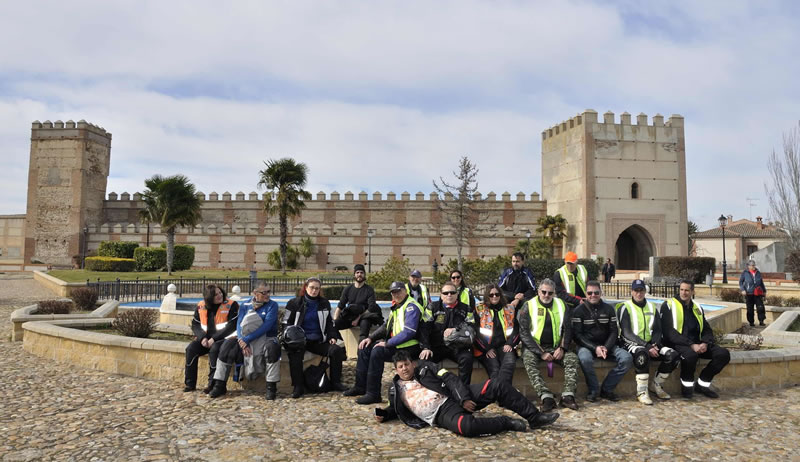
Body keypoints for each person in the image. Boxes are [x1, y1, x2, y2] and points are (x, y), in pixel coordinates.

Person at [373, 350, 559, 437]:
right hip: (442, 413)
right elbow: (395, 408)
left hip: (456, 395)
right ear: (396, 370)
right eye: (400, 367)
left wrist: (464, 398)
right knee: (466, 428)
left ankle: (534, 417)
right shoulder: (394, 389)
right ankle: (505, 422)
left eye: (407, 364)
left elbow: (451, 379)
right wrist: (384, 414)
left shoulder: (426, 368)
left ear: (412, 363)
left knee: (497, 385)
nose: (405, 369)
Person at [345, 281, 424, 404]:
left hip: (410, 347)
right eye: (393, 292)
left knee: (378, 352)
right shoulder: (397, 306)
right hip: (398, 345)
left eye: (398, 291)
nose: (396, 294)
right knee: (364, 347)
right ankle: (360, 386)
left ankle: (373, 394)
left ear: (405, 291)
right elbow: (386, 326)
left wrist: (388, 344)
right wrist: (370, 338)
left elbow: (409, 332)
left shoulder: (411, 306)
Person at [208, 282, 281, 400]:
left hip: (266, 337)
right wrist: (242, 341)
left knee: (272, 349)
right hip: (245, 339)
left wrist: (247, 339)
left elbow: (267, 325)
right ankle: (219, 385)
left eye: (269, 292)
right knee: (227, 346)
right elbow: (239, 324)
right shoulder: (245, 304)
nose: (267, 295)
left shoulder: (273, 305)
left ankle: (271, 388)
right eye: (264, 292)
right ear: (255, 293)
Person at [662, 279, 730, 399]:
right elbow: (669, 332)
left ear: (692, 291)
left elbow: (706, 328)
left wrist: (705, 342)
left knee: (723, 354)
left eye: (687, 290)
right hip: (678, 343)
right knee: (690, 356)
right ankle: (687, 387)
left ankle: (702, 384)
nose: (684, 293)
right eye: (682, 290)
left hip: (698, 344)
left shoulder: (697, 307)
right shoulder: (669, 305)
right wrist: (691, 345)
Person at [615, 279, 680, 405]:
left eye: (641, 290)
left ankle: (657, 384)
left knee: (673, 355)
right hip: (631, 343)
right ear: (631, 292)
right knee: (642, 355)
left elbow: (657, 329)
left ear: (645, 291)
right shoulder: (624, 307)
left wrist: (655, 344)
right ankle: (642, 391)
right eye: (636, 290)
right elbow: (627, 332)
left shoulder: (652, 307)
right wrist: (647, 346)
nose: (639, 293)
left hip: (651, 344)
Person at [519, 278, 580, 411]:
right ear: (538, 291)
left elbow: (568, 328)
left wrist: (562, 348)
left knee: (572, 359)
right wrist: (541, 353)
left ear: (554, 293)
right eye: (544, 292)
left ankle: (567, 396)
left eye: (550, 293)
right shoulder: (528, 305)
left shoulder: (562, 305)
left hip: (556, 346)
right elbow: (524, 333)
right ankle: (546, 397)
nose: (546, 295)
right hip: (535, 347)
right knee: (528, 360)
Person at [282, 277, 347, 398]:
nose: (314, 290)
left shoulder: (324, 303)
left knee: (336, 350)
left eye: (317, 288)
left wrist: (332, 336)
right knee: (295, 355)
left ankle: (336, 382)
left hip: (317, 340)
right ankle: (298, 386)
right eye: (312, 287)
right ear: (306, 288)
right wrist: (290, 336)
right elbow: (286, 323)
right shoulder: (294, 303)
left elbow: (329, 323)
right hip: (299, 340)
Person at [571, 280, 632, 402]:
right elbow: (577, 335)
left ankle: (607, 389)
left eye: (596, 292)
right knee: (585, 359)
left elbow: (614, 331)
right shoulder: (578, 311)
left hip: (607, 345)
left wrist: (606, 347)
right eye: (590, 293)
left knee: (627, 359)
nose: (593, 295)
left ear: (601, 293)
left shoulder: (609, 309)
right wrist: (595, 348)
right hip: (586, 346)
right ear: (586, 293)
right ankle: (593, 389)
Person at [184, 284, 239, 393]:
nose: (219, 296)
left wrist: (213, 339)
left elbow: (232, 326)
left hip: (224, 340)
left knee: (214, 350)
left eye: (220, 293)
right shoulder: (201, 306)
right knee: (190, 349)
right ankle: (190, 384)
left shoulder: (232, 305)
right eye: (215, 295)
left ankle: (212, 384)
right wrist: (202, 338)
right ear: (209, 297)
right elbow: (195, 324)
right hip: (205, 340)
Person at [419, 282, 476, 385]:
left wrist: (456, 329)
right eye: (446, 293)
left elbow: (471, 327)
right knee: (424, 361)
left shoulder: (466, 309)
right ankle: (433, 389)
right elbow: (424, 328)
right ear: (441, 295)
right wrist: (425, 347)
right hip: (437, 346)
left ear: (456, 294)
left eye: (452, 292)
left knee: (467, 359)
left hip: (458, 347)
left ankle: (463, 392)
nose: (449, 295)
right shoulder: (432, 307)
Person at [473, 283, 520, 384]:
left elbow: (516, 329)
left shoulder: (509, 309)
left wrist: (510, 343)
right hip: (486, 347)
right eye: (491, 295)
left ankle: (503, 394)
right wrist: (487, 349)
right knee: (495, 370)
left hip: (505, 345)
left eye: (497, 294)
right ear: (487, 296)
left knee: (509, 364)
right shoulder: (479, 309)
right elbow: (475, 332)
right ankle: (500, 393)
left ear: (500, 295)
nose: (494, 296)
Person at [333, 264, 384, 340]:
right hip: (351, 316)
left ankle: (361, 349)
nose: (359, 274)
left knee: (365, 326)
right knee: (334, 325)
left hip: (364, 316)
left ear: (364, 275)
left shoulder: (369, 290)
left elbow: (371, 308)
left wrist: (357, 319)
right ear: (354, 275)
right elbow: (340, 306)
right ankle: (342, 346)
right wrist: (335, 320)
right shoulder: (348, 289)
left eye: (361, 272)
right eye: (357, 272)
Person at [739, 260, 767, 327]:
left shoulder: (758, 273)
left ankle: (761, 321)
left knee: (760, 308)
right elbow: (740, 282)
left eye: (754, 265)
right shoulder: (745, 273)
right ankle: (751, 322)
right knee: (750, 309)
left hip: (758, 293)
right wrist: (743, 290)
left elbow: (761, 283)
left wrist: (764, 291)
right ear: (748, 266)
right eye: (752, 265)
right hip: (749, 293)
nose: (753, 266)